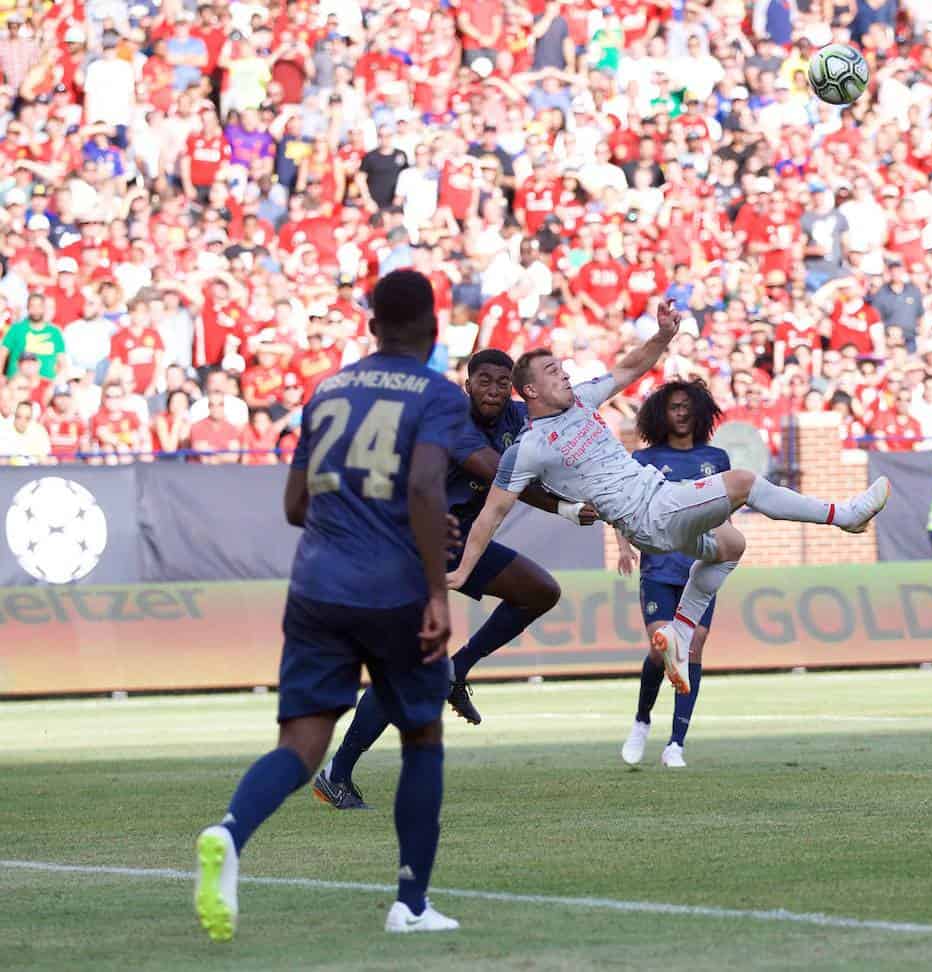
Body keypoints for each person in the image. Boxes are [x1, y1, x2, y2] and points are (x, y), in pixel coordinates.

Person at [193, 270, 468, 941]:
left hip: (317, 586)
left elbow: (294, 506)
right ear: (433, 330)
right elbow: (428, 488)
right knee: (422, 736)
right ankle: (411, 903)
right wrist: (436, 584)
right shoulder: (437, 393)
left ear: (371, 326)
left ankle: (230, 832)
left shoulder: (328, 389)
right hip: (395, 590)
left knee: (301, 743)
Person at [448, 299, 890, 697]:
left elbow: (630, 368)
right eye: (553, 372)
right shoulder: (529, 447)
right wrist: (464, 571)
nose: (565, 374)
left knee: (732, 546)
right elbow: (490, 516)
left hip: (659, 504)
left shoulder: (582, 400)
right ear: (529, 392)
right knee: (743, 482)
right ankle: (844, 515)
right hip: (648, 514)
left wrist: (662, 335)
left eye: (563, 368)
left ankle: (679, 632)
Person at [311, 348, 599, 810]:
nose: (492, 390)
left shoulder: (520, 416)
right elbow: (501, 474)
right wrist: (566, 507)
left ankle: (457, 669)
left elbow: (565, 424)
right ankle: (337, 774)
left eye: (502, 382)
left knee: (539, 591)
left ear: (514, 387)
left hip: (459, 539)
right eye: (483, 381)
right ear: (467, 385)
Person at [616, 380, 729, 769]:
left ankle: (675, 744)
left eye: (686, 406)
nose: (680, 413)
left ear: (698, 411)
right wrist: (623, 545)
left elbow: (724, 512)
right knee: (662, 647)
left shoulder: (717, 457)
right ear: (660, 414)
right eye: (673, 407)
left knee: (693, 648)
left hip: (700, 569)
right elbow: (624, 505)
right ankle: (641, 720)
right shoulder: (645, 459)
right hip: (660, 567)